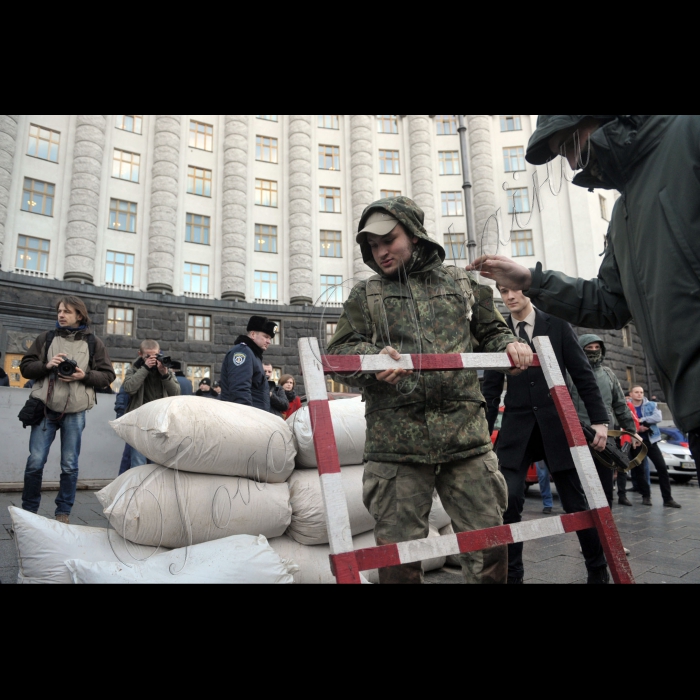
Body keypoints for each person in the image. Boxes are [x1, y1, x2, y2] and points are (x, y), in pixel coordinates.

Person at [467, 115, 700, 481]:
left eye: (570, 146)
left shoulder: (689, 134)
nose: (574, 163)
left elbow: (584, 378)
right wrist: (531, 279)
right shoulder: (622, 215)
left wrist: (601, 421)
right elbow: (608, 303)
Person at [328, 195, 533, 585]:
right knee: (398, 560)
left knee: (488, 548)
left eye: (389, 240)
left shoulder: (463, 286)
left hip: (466, 441)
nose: (381, 252)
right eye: (372, 246)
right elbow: (339, 352)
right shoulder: (365, 295)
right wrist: (373, 360)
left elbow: (491, 331)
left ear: (415, 234)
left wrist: (509, 344)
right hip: (397, 447)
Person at [483, 284, 611, 584]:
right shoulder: (497, 333)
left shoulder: (557, 325)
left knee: (576, 502)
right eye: (503, 291)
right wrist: (481, 437)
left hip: (557, 427)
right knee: (509, 498)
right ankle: (513, 576)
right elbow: (489, 391)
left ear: (527, 289)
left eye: (514, 289)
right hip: (516, 431)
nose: (510, 296)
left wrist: (600, 420)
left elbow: (583, 374)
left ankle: (597, 570)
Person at [19, 296, 115, 523]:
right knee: (35, 462)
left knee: (69, 465)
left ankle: (63, 514)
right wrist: (47, 365)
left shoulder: (94, 342)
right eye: (60, 311)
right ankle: (28, 514)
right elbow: (25, 368)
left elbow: (108, 376)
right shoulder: (46, 338)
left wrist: (85, 375)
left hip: (75, 411)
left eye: (67, 312)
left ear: (79, 315)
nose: (61, 315)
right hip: (44, 408)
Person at [568, 334, 641, 508]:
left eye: (596, 348)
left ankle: (605, 523)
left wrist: (632, 431)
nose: (593, 351)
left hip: (606, 437)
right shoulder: (569, 373)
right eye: (589, 348)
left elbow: (621, 406)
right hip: (578, 436)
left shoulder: (609, 375)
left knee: (605, 486)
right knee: (579, 486)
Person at [122, 340, 181, 469]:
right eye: (147, 356)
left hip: (160, 423)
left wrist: (164, 374)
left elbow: (176, 392)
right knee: (138, 463)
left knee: (158, 463)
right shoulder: (134, 370)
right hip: (139, 423)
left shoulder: (165, 369)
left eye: (154, 355)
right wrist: (145, 368)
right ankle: (138, 489)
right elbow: (129, 388)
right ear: (140, 354)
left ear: (159, 353)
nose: (152, 359)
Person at [629, 385, 681, 508]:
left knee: (662, 468)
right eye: (636, 392)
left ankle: (668, 499)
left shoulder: (651, 405)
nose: (639, 394)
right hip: (636, 442)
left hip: (651, 441)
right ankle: (646, 496)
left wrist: (641, 420)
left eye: (641, 392)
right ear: (631, 394)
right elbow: (625, 420)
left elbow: (658, 417)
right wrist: (637, 427)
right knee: (640, 470)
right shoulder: (627, 406)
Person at [220, 317, 277, 412]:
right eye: (266, 337)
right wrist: (246, 416)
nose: (269, 341)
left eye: (270, 338)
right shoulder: (242, 352)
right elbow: (239, 389)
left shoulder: (253, 354)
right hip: (244, 418)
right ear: (253, 334)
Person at [114, 384, 132, 475]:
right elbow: (125, 391)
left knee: (129, 457)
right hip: (134, 424)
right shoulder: (134, 373)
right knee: (129, 457)